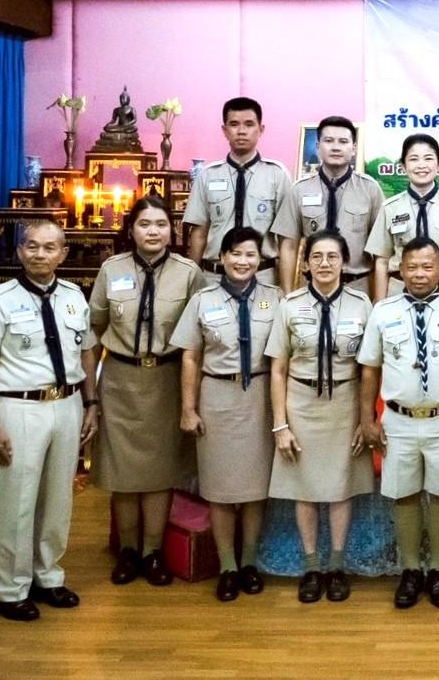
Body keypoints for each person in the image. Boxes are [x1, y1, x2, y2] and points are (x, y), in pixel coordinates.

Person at [0, 221, 100, 621]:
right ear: (19, 252)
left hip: (67, 405)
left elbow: (88, 351)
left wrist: (91, 402)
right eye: (32, 247)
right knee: (16, 500)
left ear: (63, 253)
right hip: (19, 407)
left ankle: (48, 577)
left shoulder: (76, 297)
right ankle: (9, 588)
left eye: (49, 248)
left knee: (58, 498)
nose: (40, 254)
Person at [89, 195, 205, 587]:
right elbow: (94, 331)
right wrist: (91, 394)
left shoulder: (188, 273)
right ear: (131, 229)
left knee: (160, 472)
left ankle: (153, 552)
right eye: (144, 224)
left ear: (172, 230)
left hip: (167, 381)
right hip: (121, 381)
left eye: (160, 224)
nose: (153, 231)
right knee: (122, 472)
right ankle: (127, 551)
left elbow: (198, 338)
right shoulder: (111, 270)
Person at [357, 237, 439, 609]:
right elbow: (370, 369)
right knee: (404, 494)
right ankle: (411, 570)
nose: (420, 274)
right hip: (399, 419)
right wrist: (367, 417)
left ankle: (438, 570)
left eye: (428, 266)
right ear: (400, 269)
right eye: (412, 267)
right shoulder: (383, 311)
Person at [171, 226, 282, 601]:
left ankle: (249, 562)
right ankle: (228, 566)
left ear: (259, 259)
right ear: (222, 258)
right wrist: (189, 408)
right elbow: (190, 355)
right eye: (235, 254)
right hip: (217, 395)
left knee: (253, 491)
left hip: (261, 397)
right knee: (219, 490)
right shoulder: (203, 299)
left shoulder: (275, 298)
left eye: (250, 254)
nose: (243, 261)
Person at [265, 230, 375, 603]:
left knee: (342, 486)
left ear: (344, 263)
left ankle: (337, 566)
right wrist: (280, 423)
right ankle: (312, 566)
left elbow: (371, 369)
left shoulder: (363, 305)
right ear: (306, 263)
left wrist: (367, 418)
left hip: (346, 403)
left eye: (332, 257)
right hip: (301, 402)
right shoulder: (289, 306)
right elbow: (278, 369)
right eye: (317, 257)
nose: (325, 264)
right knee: (306, 488)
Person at [272, 116, 385, 299]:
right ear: (318, 146)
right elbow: (289, 247)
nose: (336, 147)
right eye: (328, 141)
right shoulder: (299, 190)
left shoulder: (370, 189)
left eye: (343, 141)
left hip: (356, 287)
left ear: (354, 148)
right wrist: (287, 295)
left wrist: (379, 301)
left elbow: (381, 252)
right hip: (311, 288)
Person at [183, 96, 292, 285]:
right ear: (224, 131)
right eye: (234, 124)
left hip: (263, 278)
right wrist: (192, 283)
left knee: (265, 312)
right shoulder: (208, 176)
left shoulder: (277, 175)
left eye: (249, 124)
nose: (241, 131)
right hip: (215, 277)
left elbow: (286, 239)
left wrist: (285, 290)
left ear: (261, 129)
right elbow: (199, 233)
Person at [366, 133, 439, 299]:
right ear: (403, 166)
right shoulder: (390, 208)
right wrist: (380, 304)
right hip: (400, 292)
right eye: (413, 159)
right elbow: (382, 261)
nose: (421, 165)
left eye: (428, 158)